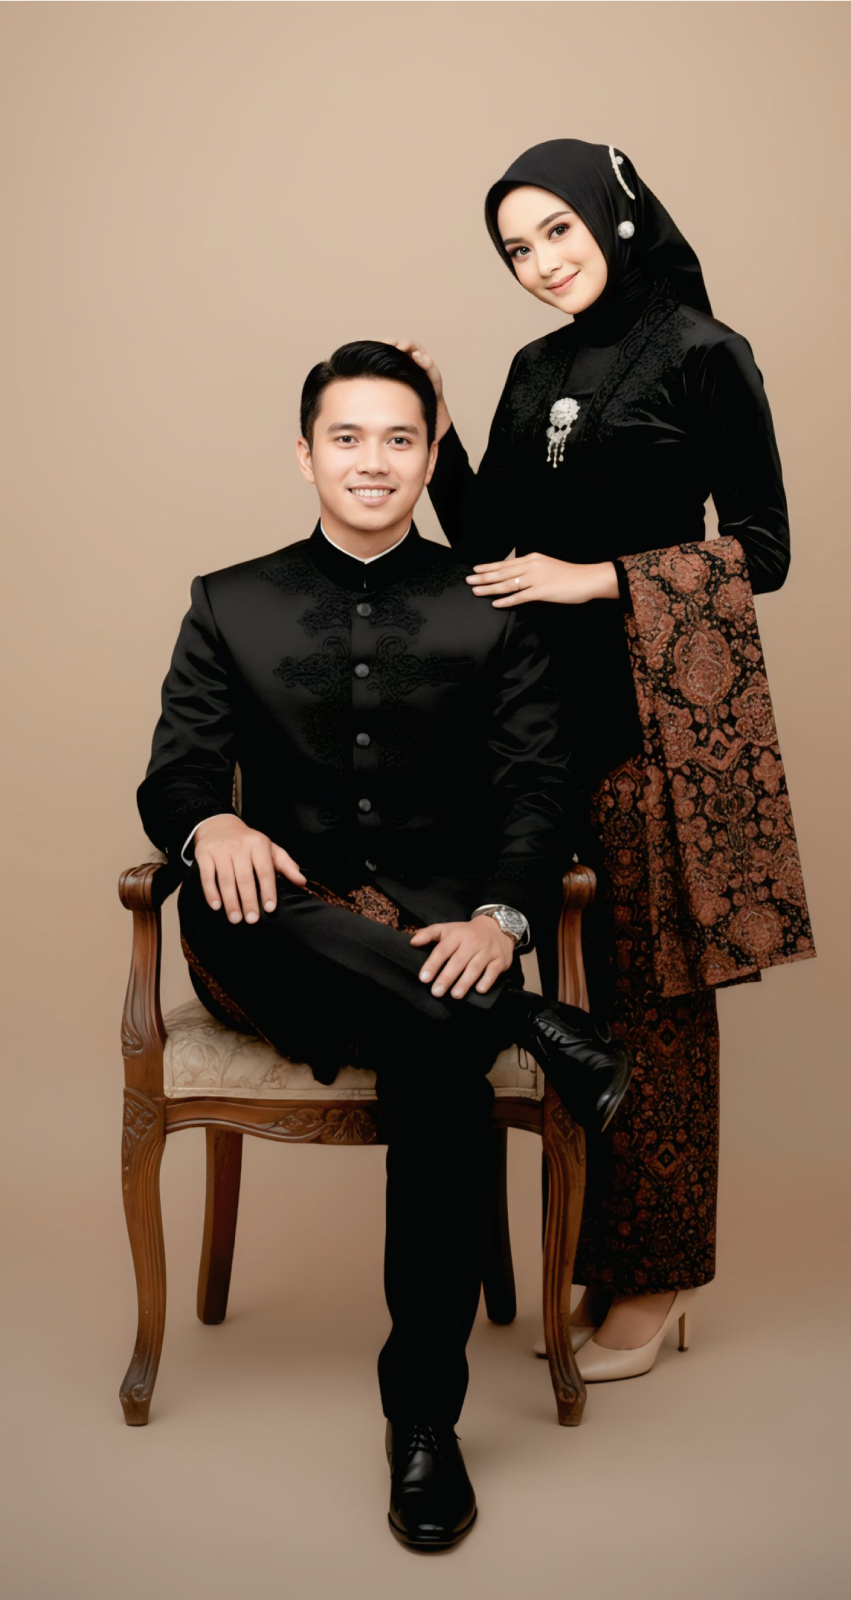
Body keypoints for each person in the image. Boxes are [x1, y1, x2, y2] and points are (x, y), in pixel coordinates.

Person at [136, 340, 631, 1550]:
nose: (373, 461)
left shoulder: (495, 602)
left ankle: (423, 1422)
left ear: (427, 453)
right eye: (347, 437)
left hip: (440, 940)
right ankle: (525, 1018)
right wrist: (209, 823)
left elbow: (539, 790)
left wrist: (503, 918)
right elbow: (176, 773)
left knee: (437, 1058)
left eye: (399, 438)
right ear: (305, 453)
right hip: (272, 938)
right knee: (253, 898)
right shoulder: (227, 599)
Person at [394, 138, 816, 1382]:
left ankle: (660, 1277)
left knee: (652, 998)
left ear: (616, 219)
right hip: (532, 724)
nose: (539, 263)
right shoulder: (535, 368)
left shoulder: (703, 351)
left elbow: (764, 548)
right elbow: (492, 547)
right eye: (515, 248)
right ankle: (586, 1250)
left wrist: (590, 581)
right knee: (559, 1001)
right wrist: (448, 434)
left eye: (557, 232)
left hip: (653, 729)